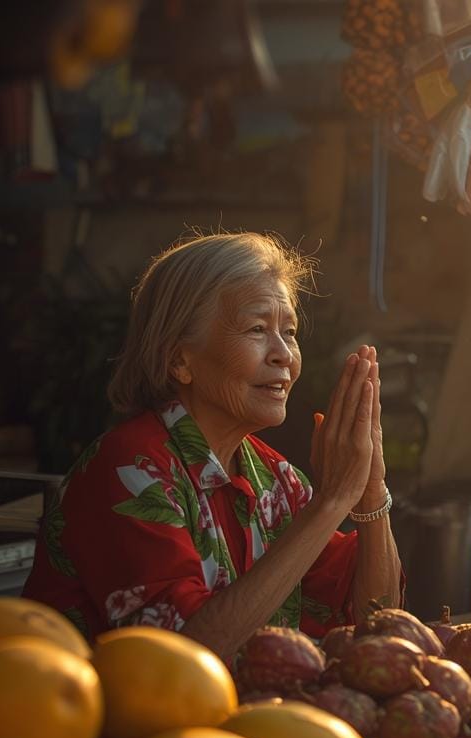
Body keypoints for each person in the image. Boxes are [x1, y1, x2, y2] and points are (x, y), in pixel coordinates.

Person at [24, 232, 402, 658]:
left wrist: (369, 491)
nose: (284, 355)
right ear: (179, 360)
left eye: (289, 331)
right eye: (258, 328)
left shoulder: (276, 481)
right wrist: (331, 502)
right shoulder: (130, 470)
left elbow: (377, 624)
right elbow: (186, 659)